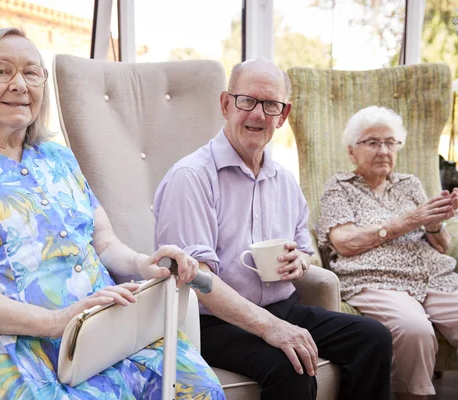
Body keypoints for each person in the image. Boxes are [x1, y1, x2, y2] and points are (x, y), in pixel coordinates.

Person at [0, 27, 225, 400]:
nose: (19, 84)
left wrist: (146, 264)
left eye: (31, 72)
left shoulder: (56, 156)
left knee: (198, 388)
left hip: (102, 332)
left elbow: (103, 241)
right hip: (6, 344)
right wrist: (53, 322)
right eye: (0, 70)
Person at [153, 58, 393, 400]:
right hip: (211, 321)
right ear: (225, 104)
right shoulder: (190, 177)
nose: (257, 114)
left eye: (270, 105)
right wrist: (271, 328)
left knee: (373, 338)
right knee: (290, 366)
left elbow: (303, 251)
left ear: (283, 115)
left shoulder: (284, 179)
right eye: (247, 100)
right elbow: (198, 280)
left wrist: (301, 264)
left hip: (284, 306)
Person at [317, 105, 458, 400]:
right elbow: (344, 242)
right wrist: (407, 221)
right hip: (375, 278)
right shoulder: (339, 187)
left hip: (431, 274)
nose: (384, 150)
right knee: (414, 329)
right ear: (352, 151)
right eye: (373, 142)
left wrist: (433, 223)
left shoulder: (410, 184)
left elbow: (442, 245)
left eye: (390, 142)